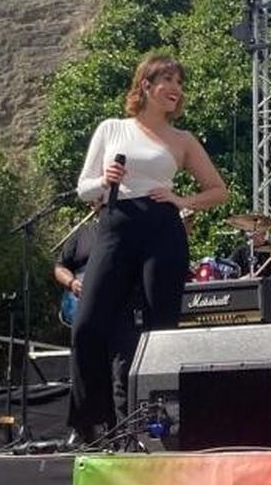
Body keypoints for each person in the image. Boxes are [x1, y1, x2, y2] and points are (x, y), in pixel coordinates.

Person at [70, 54, 228, 441]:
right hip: (116, 223)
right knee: (88, 325)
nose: (176, 89)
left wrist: (182, 200)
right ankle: (95, 424)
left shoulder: (183, 139)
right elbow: (84, 188)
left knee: (161, 330)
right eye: (168, 81)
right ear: (145, 85)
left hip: (162, 227)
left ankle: (158, 424)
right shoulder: (112, 129)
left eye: (180, 82)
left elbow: (218, 190)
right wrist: (104, 179)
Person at [53, 206, 139, 422]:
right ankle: (91, 429)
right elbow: (60, 267)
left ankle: (123, 428)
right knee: (90, 370)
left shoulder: (129, 231)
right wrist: (72, 283)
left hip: (119, 310)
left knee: (121, 370)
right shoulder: (81, 233)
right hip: (85, 310)